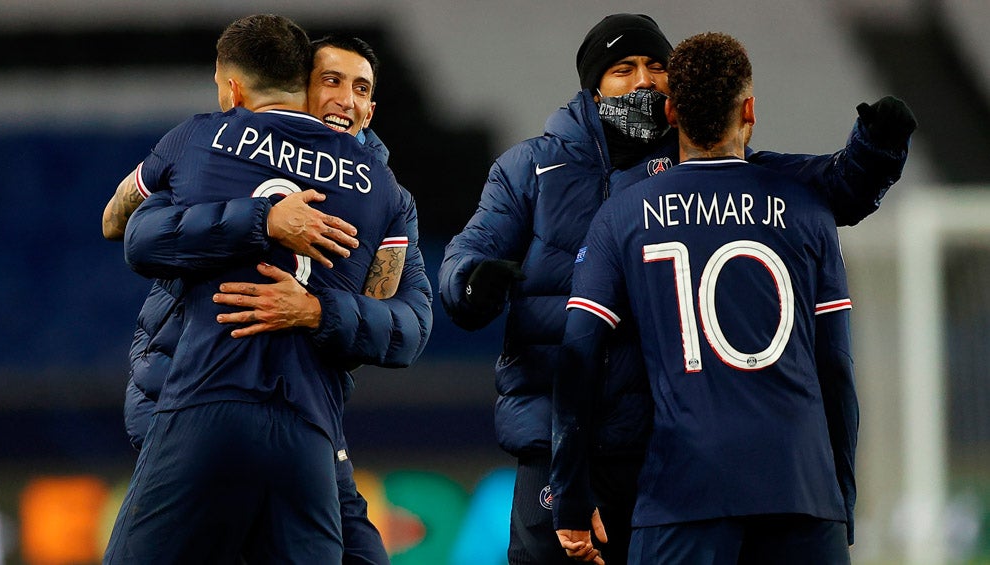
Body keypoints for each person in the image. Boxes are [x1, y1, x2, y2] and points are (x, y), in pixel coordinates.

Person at [438, 13, 916, 565]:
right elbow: (467, 256)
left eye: (656, 66)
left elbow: (829, 187)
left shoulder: (701, 164)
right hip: (557, 441)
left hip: (660, 451)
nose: (644, 80)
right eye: (624, 69)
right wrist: (470, 284)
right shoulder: (531, 168)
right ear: (594, 88)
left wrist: (874, 151)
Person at [106, 34, 432, 565]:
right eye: (331, 81)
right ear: (298, 87)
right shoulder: (223, 150)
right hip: (186, 398)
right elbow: (140, 234)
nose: (345, 100)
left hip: (304, 416)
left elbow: (410, 326)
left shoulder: (387, 196)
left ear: (372, 110)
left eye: (360, 89)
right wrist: (262, 220)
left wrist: (317, 311)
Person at [552, 30, 862, 564]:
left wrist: (569, 496)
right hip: (802, 492)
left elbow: (578, 356)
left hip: (682, 494)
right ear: (750, 110)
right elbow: (835, 367)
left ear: (671, 112)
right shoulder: (809, 211)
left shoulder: (624, 214)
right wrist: (842, 496)